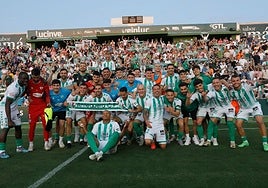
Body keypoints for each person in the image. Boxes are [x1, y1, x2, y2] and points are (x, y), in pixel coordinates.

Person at [230, 74, 268, 151]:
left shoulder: (247, 86)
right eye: (233, 81)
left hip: (254, 105)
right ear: (231, 82)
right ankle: (245, 141)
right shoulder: (232, 92)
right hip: (243, 108)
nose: (235, 82)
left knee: (259, 121)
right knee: (238, 124)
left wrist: (264, 80)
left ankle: (265, 143)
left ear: (240, 81)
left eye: (237, 80)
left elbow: (260, 83)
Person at [0, 72, 29, 159]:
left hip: (14, 107)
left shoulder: (23, 84)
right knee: (5, 129)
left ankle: (19, 147)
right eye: (24, 79)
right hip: (5, 108)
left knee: (18, 126)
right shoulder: (13, 89)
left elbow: (21, 94)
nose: (25, 80)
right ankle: (1, 151)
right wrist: (9, 120)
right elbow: (7, 104)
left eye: (26, 79)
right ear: (19, 78)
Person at [203, 77, 236, 148]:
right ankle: (208, 141)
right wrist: (204, 96)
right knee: (212, 122)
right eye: (214, 83)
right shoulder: (212, 92)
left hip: (228, 107)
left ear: (220, 83)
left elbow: (231, 88)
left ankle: (232, 142)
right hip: (218, 108)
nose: (216, 84)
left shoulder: (225, 88)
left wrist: (224, 82)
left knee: (230, 122)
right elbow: (206, 99)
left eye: (217, 82)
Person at [27, 67, 52, 151]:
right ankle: (31, 143)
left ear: (39, 76)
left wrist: (48, 102)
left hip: (42, 105)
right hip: (32, 107)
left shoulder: (44, 82)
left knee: (45, 125)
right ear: (32, 76)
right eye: (34, 77)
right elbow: (25, 91)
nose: (36, 79)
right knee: (32, 126)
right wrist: (28, 97)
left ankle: (46, 142)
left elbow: (47, 94)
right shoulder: (28, 82)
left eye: (37, 77)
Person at [186, 79, 212, 146]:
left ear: (202, 85)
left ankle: (212, 138)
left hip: (211, 107)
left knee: (212, 122)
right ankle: (202, 139)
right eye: (197, 87)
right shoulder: (195, 94)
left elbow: (206, 100)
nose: (199, 87)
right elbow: (188, 104)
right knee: (198, 122)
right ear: (195, 88)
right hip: (202, 108)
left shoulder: (209, 89)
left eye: (200, 85)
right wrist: (188, 98)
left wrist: (204, 96)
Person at [144, 84, 167, 150]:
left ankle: (160, 136)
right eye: (155, 89)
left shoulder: (163, 98)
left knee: (163, 147)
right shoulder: (149, 100)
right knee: (147, 142)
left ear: (160, 90)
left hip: (160, 124)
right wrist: (146, 121)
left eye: (158, 89)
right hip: (151, 124)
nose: (156, 91)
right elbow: (145, 111)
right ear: (152, 91)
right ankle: (153, 141)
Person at [49, 79, 71, 148]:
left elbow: (73, 93)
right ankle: (49, 140)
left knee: (62, 124)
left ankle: (60, 140)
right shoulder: (49, 92)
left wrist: (67, 100)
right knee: (48, 125)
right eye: (54, 85)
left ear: (60, 86)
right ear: (52, 86)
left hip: (62, 110)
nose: (56, 87)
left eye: (57, 85)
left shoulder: (65, 91)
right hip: (52, 110)